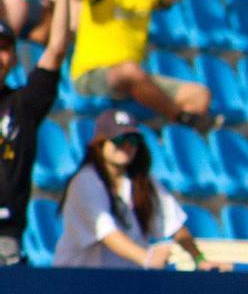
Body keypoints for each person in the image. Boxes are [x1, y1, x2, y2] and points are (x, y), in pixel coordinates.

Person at [68, 0, 217, 132]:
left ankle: (174, 142)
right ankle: (179, 118)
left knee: (200, 94)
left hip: (134, 78)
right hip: (92, 74)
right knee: (130, 71)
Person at [0, 0, 78, 265]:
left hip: (5, 238)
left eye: (5, 47)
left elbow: (57, 48)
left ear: (15, 58)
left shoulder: (22, 104)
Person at [53, 108, 210, 270]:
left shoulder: (142, 181)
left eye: (132, 139)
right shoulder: (85, 181)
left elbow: (174, 225)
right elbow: (107, 233)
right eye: (119, 139)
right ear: (100, 143)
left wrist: (200, 260)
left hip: (125, 282)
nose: (126, 145)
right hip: (79, 283)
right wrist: (147, 258)